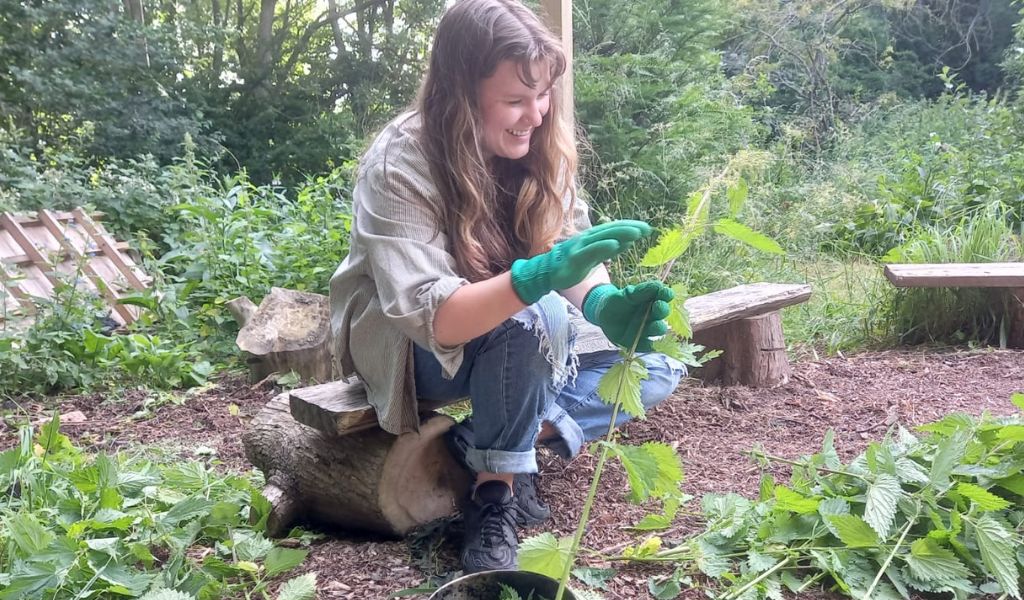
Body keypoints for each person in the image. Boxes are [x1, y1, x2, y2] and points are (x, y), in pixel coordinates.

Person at [329, 0, 684, 574]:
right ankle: (495, 497)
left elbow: (568, 240)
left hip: (521, 330)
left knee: (655, 370)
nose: (536, 115)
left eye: (542, 95)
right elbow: (433, 316)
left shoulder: (541, 144)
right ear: (459, 97)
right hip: (407, 346)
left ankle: (484, 443)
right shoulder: (400, 162)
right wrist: (540, 280)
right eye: (516, 101)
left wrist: (600, 300)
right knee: (530, 322)